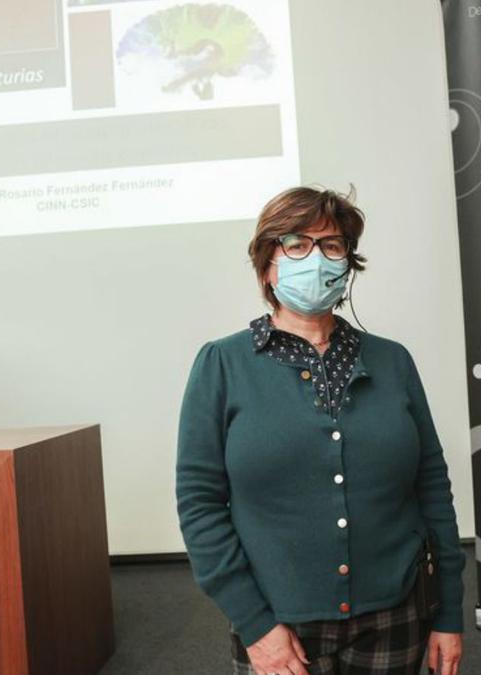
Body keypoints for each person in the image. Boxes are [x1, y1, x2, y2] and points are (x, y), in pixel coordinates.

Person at [176, 187, 465, 675]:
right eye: (296, 244)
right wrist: (255, 626)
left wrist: (450, 612)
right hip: (275, 624)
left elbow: (432, 489)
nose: (316, 258)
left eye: (331, 246)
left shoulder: (393, 361)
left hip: (397, 613)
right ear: (268, 264)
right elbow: (199, 505)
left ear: (347, 263)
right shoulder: (221, 365)